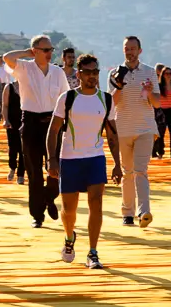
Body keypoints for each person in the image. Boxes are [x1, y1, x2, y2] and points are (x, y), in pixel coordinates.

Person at [47, 54, 122, 269]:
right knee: (69, 210)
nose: (92, 76)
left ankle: (93, 252)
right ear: (78, 74)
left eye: (95, 72)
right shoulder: (67, 98)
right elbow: (53, 131)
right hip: (70, 159)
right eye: (87, 72)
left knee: (96, 203)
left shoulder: (105, 99)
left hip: (95, 158)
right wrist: (52, 160)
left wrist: (117, 163)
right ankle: (69, 237)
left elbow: (112, 134)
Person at [3, 35, 70, 228]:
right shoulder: (24, 68)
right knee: (34, 171)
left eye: (51, 50)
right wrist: (27, 53)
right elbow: (8, 57)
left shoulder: (57, 72)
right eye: (46, 50)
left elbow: (65, 98)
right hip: (30, 121)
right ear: (36, 51)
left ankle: (49, 197)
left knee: (54, 168)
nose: (50, 53)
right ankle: (37, 214)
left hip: (52, 122)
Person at [107, 36, 159, 228]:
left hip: (145, 128)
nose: (129, 52)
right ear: (123, 50)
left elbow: (157, 103)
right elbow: (112, 103)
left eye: (133, 48)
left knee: (140, 170)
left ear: (140, 50)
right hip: (123, 128)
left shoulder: (150, 72)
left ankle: (143, 212)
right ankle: (127, 213)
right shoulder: (114, 73)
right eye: (126, 48)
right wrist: (119, 85)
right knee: (127, 172)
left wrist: (151, 91)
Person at [2, 79, 25, 184]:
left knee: (24, 149)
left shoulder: (29, 87)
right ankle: (12, 167)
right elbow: (5, 105)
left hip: (26, 122)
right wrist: (5, 120)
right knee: (13, 147)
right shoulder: (9, 87)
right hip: (12, 122)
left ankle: (21, 174)